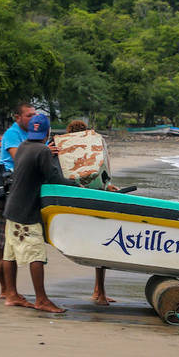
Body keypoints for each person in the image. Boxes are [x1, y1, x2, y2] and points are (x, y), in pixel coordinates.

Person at [1, 114, 77, 313]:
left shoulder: (25, 145)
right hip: (26, 210)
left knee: (10, 253)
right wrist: (78, 183)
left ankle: (11, 295)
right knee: (37, 254)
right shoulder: (42, 150)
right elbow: (54, 179)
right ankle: (41, 300)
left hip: (11, 207)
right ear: (48, 132)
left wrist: (47, 153)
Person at [0, 102, 35, 298]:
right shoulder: (12, 134)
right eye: (29, 115)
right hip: (6, 188)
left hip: (22, 190)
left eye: (34, 115)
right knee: (0, 240)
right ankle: (3, 286)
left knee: (13, 239)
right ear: (18, 117)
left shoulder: (33, 135)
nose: (33, 118)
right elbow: (19, 157)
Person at [64, 119, 116, 306]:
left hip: (77, 202)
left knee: (98, 248)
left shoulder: (66, 151)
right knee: (100, 248)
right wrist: (107, 186)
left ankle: (99, 291)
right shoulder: (92, 148)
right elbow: (102, 173)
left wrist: (107, 185)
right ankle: (99, 292)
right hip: (94, 202)